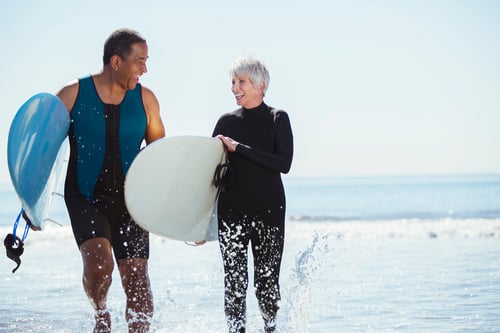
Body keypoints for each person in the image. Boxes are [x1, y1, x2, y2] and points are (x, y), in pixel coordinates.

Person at [56, 28, 165, 333]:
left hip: (132, 199)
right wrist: (31, 203)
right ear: (116, 62)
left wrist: (182, 212)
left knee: (139, 284)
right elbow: (42, 148)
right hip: (85, 196)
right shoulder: (72, 94)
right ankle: (101, 312)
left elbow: (160, 155)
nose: (145, 68)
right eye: (139, 61)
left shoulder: (146, 100)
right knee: (100, 268)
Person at [212, 56, 294, 333]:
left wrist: (239, 149)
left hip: (268, 211)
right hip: (231, 211)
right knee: (234, 282)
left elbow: (283, 163)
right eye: (233, 82)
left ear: (260, 85)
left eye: (241, 82)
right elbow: (207, 173)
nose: (235, 87)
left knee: (267, 281)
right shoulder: (225, 122)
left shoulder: (277, 118)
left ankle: (270, 328)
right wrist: (199, 221)